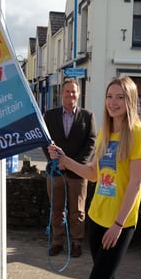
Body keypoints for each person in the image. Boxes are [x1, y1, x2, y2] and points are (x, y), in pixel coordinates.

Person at [48, 75, 141, 279]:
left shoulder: (137, 133)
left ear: (129, 101)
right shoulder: (105, 132)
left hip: (120, 222)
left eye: (120, 97)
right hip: (96, 217)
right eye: (109, 96)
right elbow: (93, 174)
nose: (113, 103)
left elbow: (136, 184)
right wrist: (65, 160)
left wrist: (118, 224)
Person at [42, 79, 96, 257]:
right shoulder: (49, 116)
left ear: (78, 95)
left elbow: (91, 142)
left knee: (77, 211)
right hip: (55, 170)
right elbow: (44, 140)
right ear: (61, 94)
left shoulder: (87, 116)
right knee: (56, 209)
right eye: (67, 91)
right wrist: (56, 160)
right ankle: (58, 242)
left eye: (74, 92)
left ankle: (76, 243)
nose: (70, 95)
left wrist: (73, 163)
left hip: (78, 172)